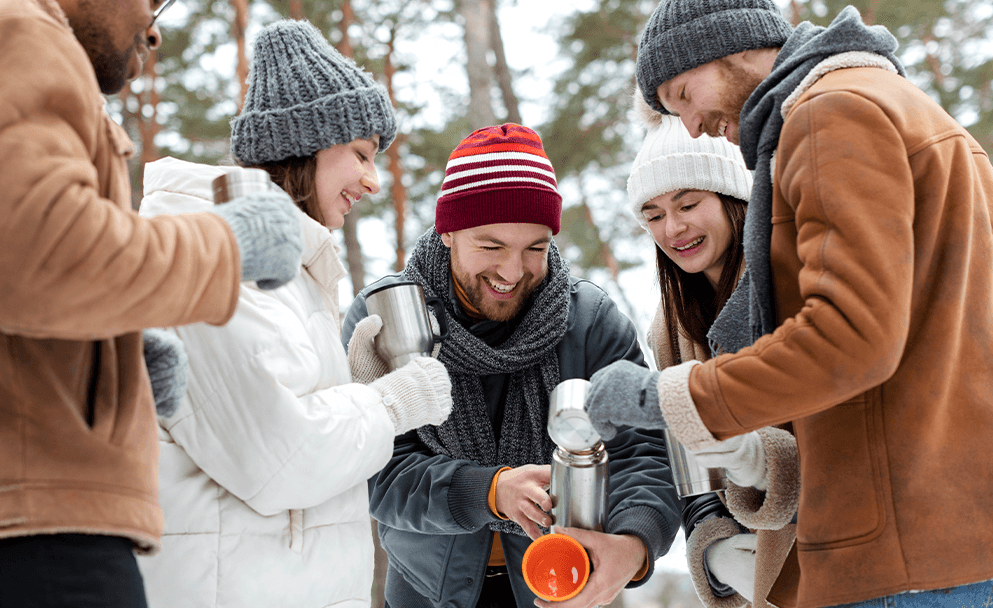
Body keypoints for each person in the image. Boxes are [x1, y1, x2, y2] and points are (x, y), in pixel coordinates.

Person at [587, 1, 993, 607]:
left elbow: (850, 337)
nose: (692, 124)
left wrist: (669, 397)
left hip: (899, 551)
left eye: (683, 95)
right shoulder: (894, 104)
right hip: (948, 534)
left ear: (724, 45)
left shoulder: (830, 114)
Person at [0, 0, 306, 606]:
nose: (152, 32)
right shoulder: (4, 27)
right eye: (151, 2)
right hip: (18, 537)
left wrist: (112, 356)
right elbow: (41, 259)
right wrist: (230, 244)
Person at [134, 20, 454, 608]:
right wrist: (391, 402)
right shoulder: (213, 254)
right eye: (359, 154)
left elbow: (270, 413)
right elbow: (280, 458)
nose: (374, 181)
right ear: (303, 144)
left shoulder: (289, 273)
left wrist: (353, 383)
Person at [341, 123, 682, 608]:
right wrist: (489, 490)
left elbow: (642, 452)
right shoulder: (386, 321)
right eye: (491, 246)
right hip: (427, 591)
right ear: (448, 232)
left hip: (572, 583)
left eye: (535, 248)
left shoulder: (589, 321)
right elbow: (373, 470)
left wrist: (634, 545)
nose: (512, 271)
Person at [628, 99, 800, 608]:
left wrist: (759, 460)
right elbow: (689, 472)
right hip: (760, 569)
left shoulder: (787, 285)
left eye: (687, 204)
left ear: (731, 196)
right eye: (654, 215)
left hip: (842, 548)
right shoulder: (670, 326)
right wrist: (714, 550)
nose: (672, 229)